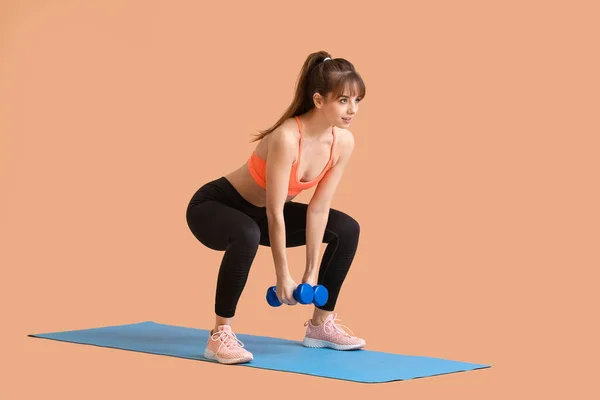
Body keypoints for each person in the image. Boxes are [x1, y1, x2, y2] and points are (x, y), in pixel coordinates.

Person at [185, 51, 366, 365]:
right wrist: (283, 276)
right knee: (248, 233)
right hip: (215, 206)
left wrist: (310, 275)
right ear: (319, 100)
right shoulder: (286, 137)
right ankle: (219, 335)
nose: (353, 110)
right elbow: (274, 213)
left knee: (347, 228)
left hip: (263, 215)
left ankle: (321, 325)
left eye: (357, 100)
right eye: (343, 101)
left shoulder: (343, 142)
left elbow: (318, 210)